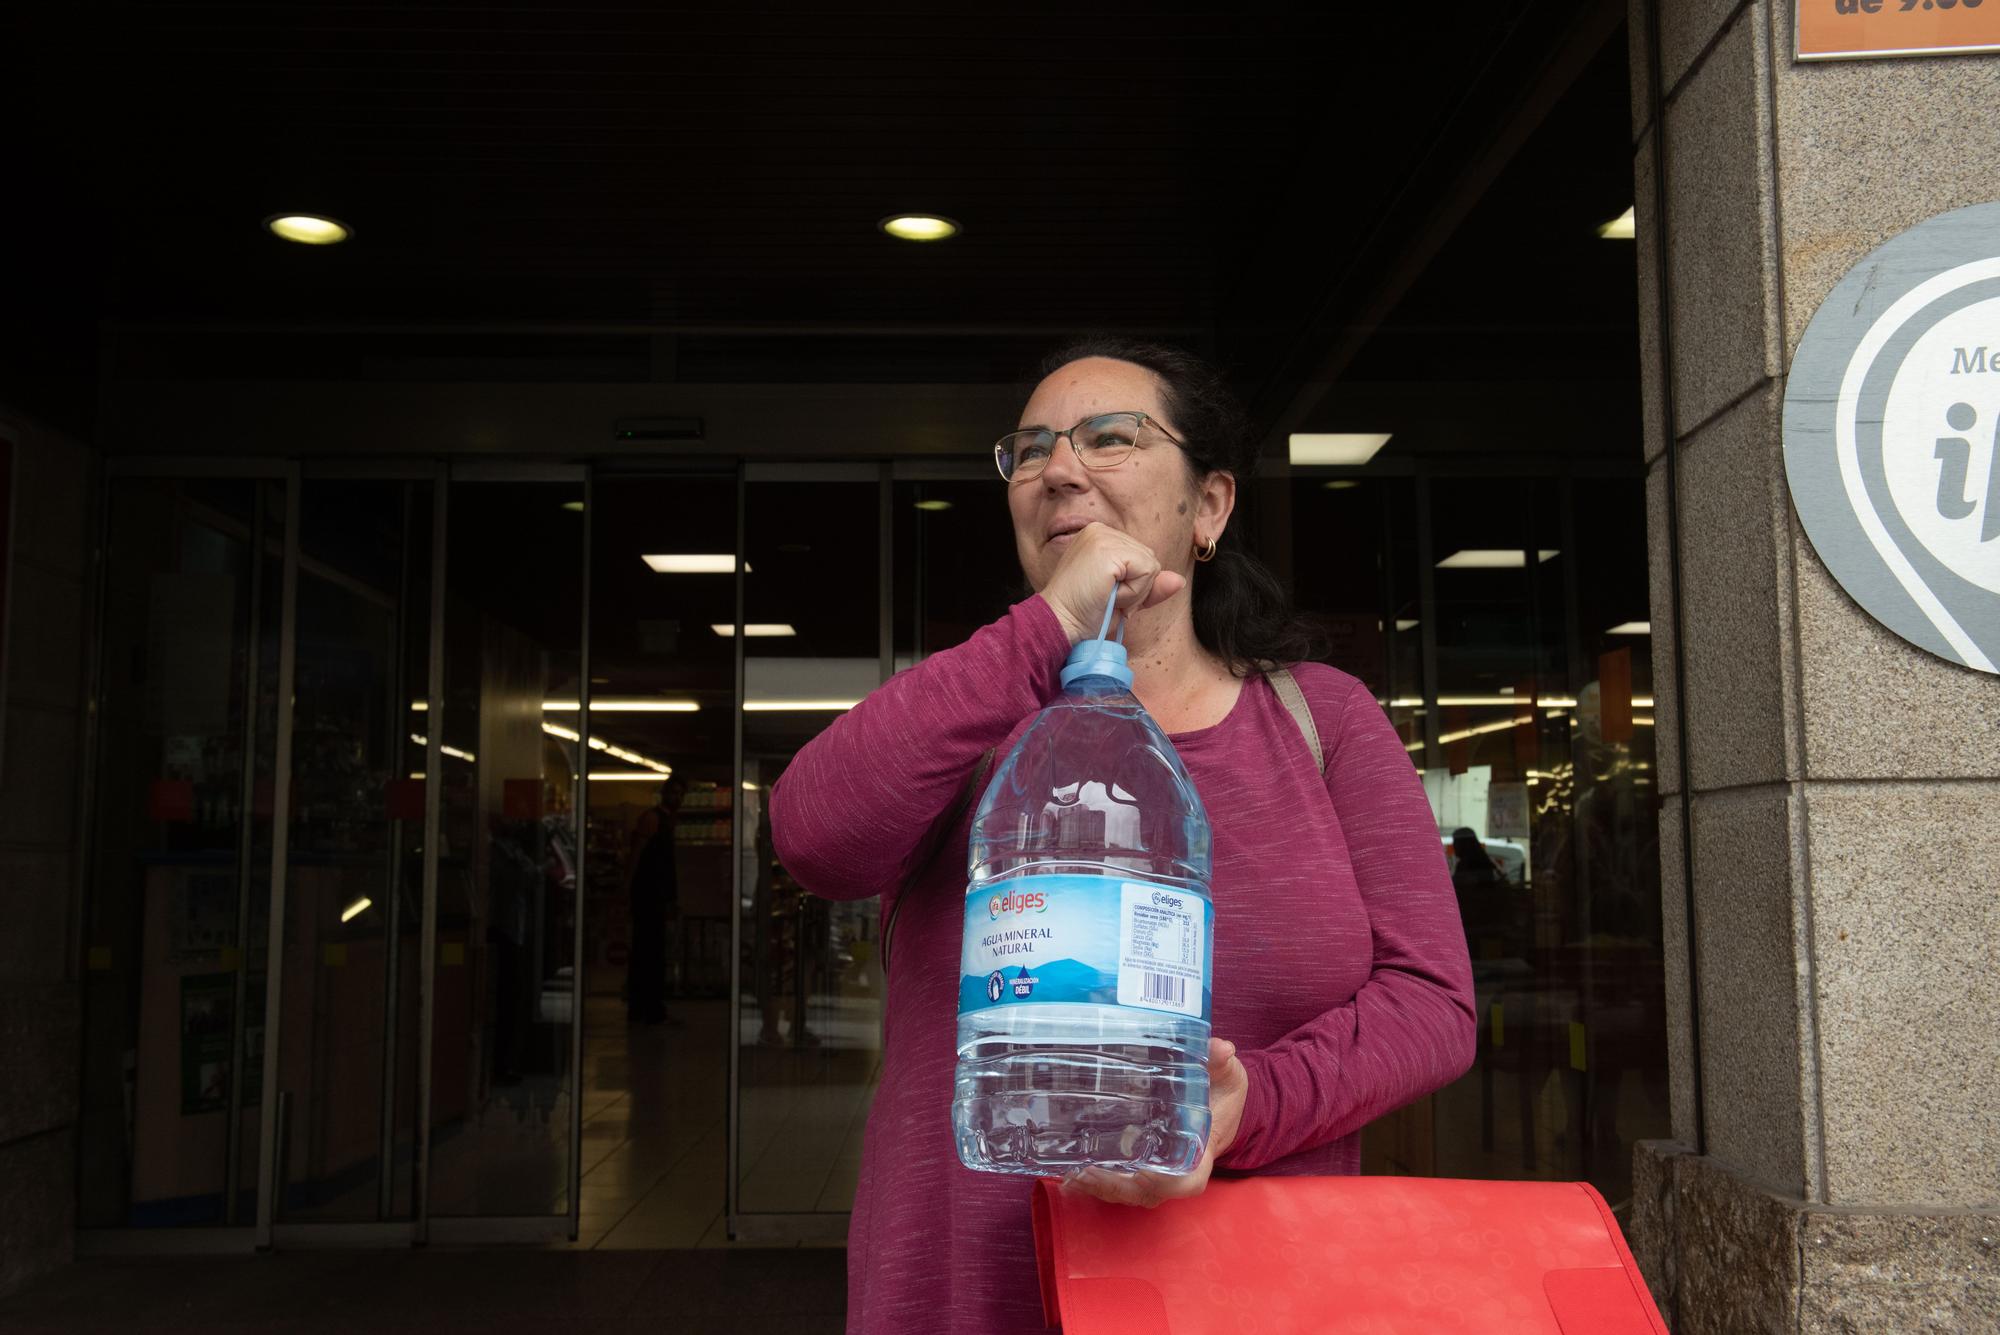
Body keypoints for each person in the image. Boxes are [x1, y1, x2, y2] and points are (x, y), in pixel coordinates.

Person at [770, 337, 1475, 1333]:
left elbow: (1432, 1003)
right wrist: (1052, 624)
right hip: (966, 1293)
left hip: (1246, 1292)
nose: (1059, 468)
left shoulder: (1324, 723)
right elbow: (809, 837)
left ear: (1209, 507)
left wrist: (1242, 1107)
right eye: (1030, 450)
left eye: (1109, 438)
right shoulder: (962, 720)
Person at [626, 776, 686, 1025]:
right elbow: (636, 856)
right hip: (646, 896)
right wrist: (626, 888)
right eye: (673, 793)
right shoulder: (652, 819)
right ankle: (644, 1008)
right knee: (646, 952)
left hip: (658, 897)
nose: (676, 798)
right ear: (664, 794)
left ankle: (651, 1007)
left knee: (655, 953)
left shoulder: (668, 822)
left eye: (680, 794)